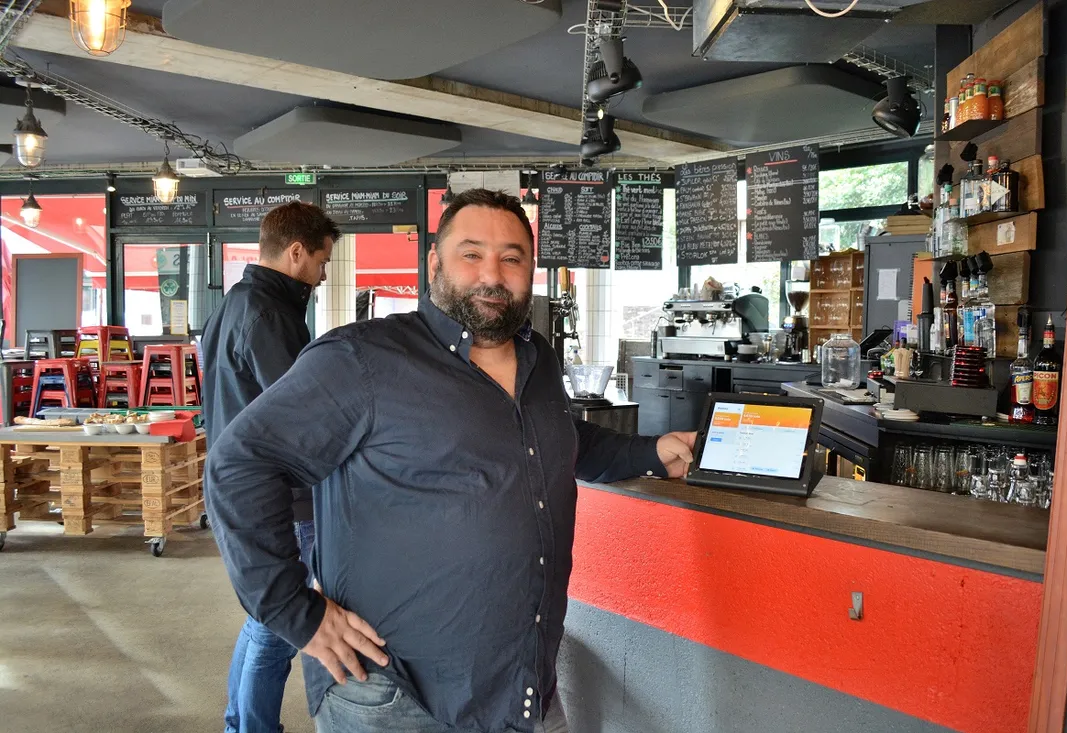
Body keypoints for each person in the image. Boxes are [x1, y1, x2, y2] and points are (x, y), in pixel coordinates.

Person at [204, 188, 696, 733]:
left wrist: (648, 451)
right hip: (396, 697)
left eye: (512, 257)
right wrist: (295, 611)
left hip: (522, 687)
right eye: (471, 253)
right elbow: (240, 464)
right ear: (434, 262)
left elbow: (554, 436)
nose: (493, 273)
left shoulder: (538, 361)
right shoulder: (362, 358)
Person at [201, 200, 337, 733]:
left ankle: (240, 722)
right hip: (277, 492)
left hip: (241, 486)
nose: (324, 275)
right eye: (322, 262)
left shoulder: (234, 302)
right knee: (281, 625)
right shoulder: (271, 314)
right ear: (297, 252)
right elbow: (300, 411)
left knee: (263, 615)